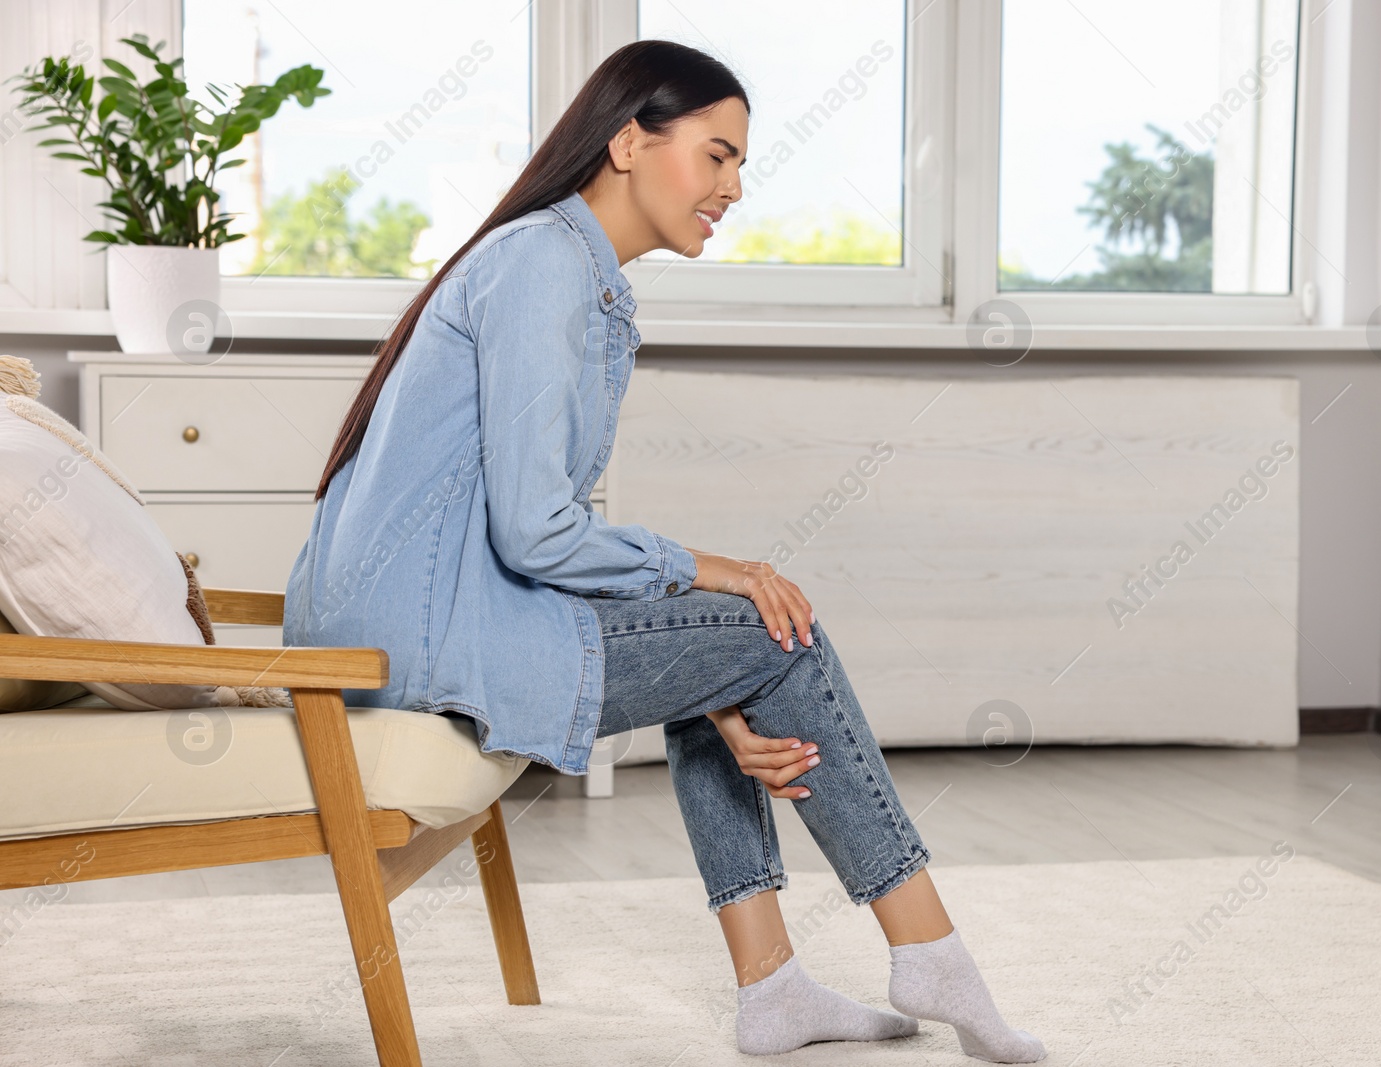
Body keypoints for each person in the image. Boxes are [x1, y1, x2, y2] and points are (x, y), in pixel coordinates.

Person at [284, 38, 1044, 1063]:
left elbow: (539, 551)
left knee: (741, 653)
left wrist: (722, 699)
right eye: (717, 155)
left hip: (430, 621)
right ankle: (929, 949)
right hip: (423, 646)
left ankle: (775, 985)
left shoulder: (555, 263)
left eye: (738, 165)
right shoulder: (543, 266)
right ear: (629, 140)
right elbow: (538, 532)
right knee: (779, 626)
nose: (732, 187)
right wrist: (713, 565)